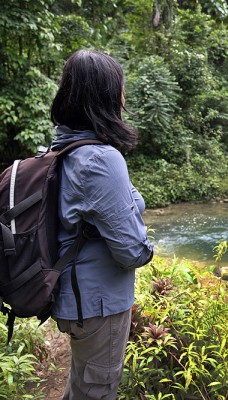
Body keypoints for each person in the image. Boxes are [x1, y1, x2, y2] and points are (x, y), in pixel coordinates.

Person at [50, 49, 153, 400]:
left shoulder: (62, 149)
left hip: (71, 299)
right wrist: (146, 244)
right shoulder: (101, 159)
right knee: (97, 391)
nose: (124, 97)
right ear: (108, 96)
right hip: (98, 306)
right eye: (120, 89)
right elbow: (132, 252)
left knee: (81, 385)